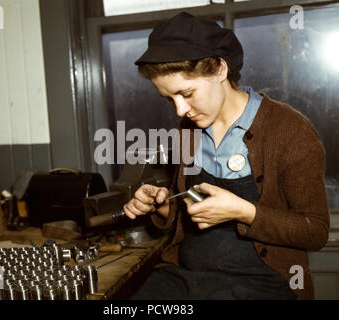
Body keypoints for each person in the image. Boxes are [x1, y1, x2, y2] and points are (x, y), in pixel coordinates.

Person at [122, 12, 329, 300]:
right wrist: (161, 205)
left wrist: (243, 211)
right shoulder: (189, 129)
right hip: (188, 276)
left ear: (220, 69)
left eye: (187, 93)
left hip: (263, 283)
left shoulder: (290, 129)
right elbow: (189, 215)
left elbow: (315, 232)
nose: (180, 111)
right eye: (170, 99)